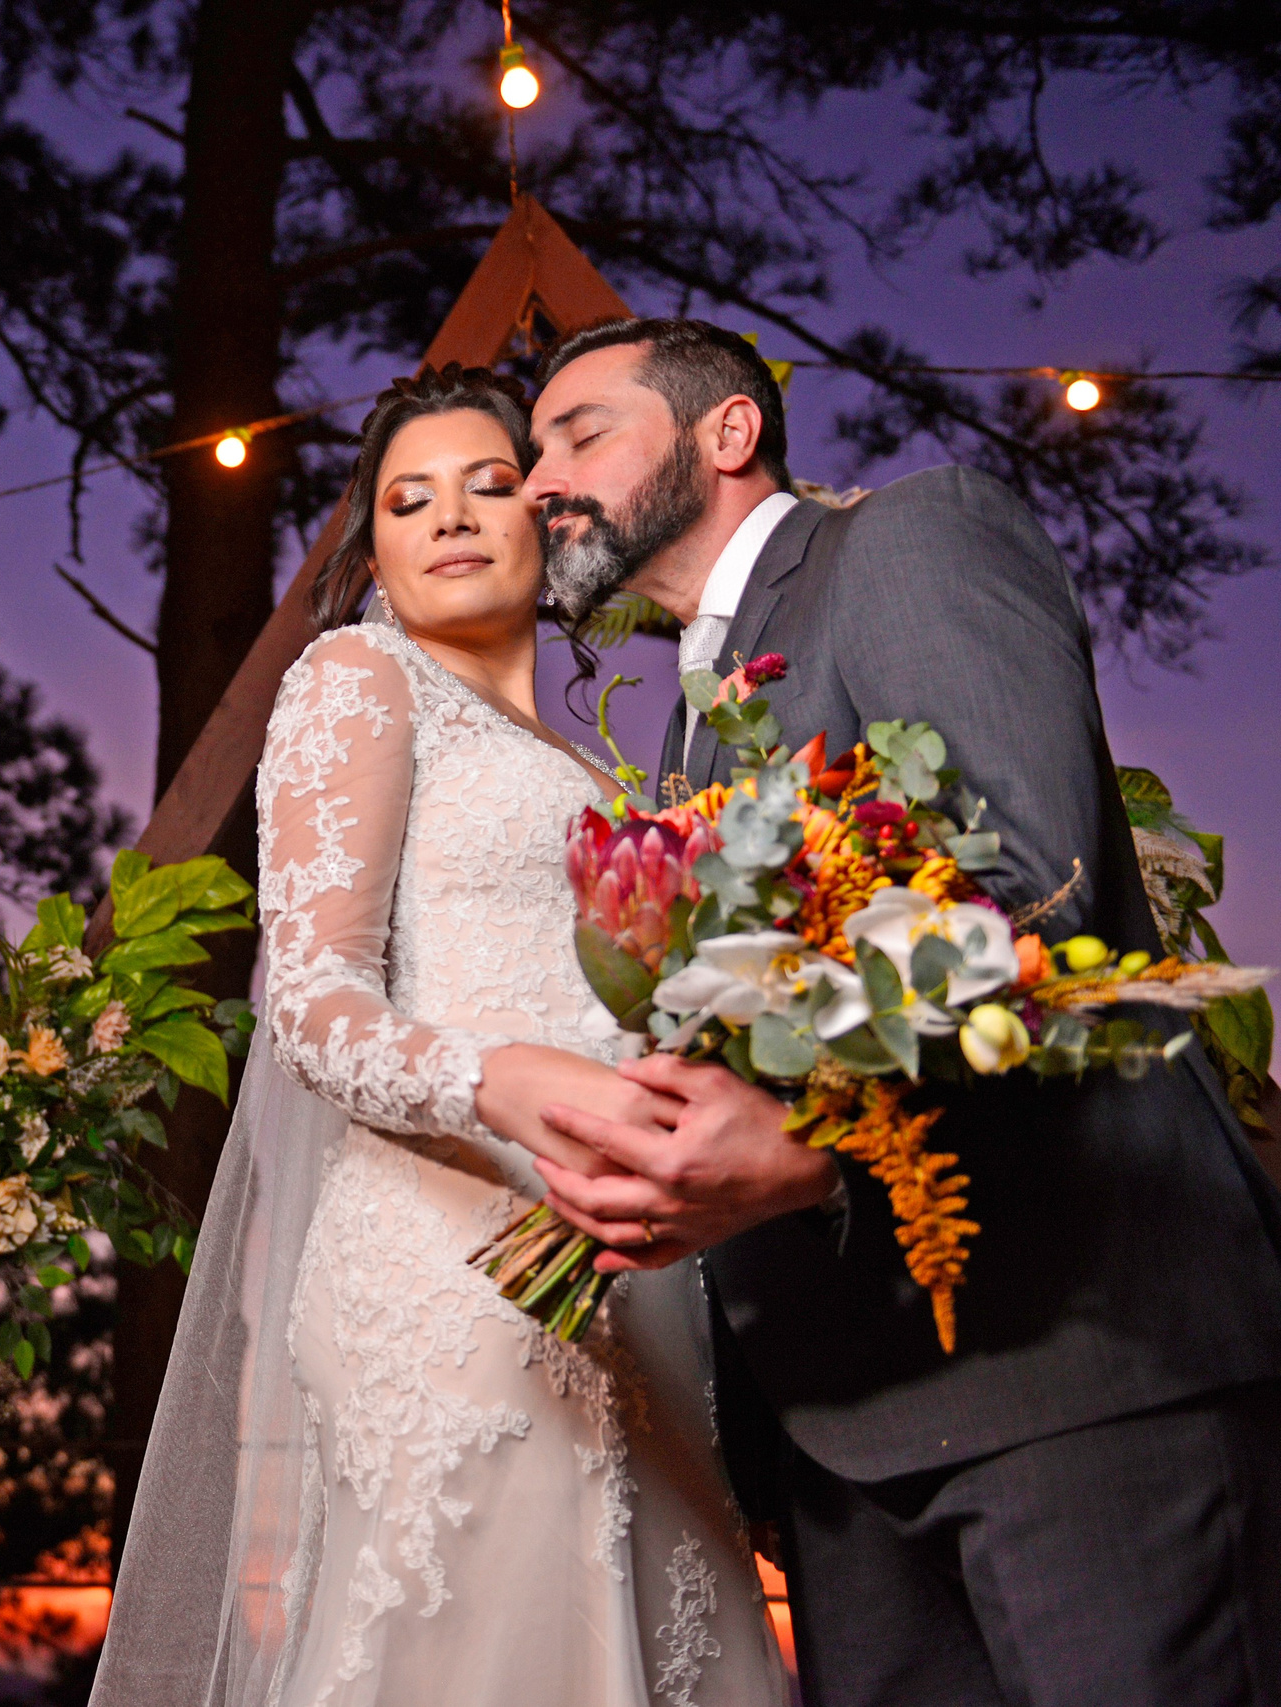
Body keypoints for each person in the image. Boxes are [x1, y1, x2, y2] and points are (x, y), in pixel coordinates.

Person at [521, 317, 1281, 1706]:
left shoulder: (908, 539)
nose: (534, 484)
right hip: (841, 1433)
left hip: (1071, 1365)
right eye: (529, 454)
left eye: (579, 434)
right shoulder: (692, 721)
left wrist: (798, 1143)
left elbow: (1029, 886)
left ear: (727, 432)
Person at [93, 366, 787, 1707]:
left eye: (489, 484)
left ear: (547, 520)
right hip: (447, 1260)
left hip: (627, 1259)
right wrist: (498, 1077)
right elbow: (307, 1000)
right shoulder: (360, 675)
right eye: (409, 499)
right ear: (376, 547)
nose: (452, 516)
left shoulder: (613, 770)